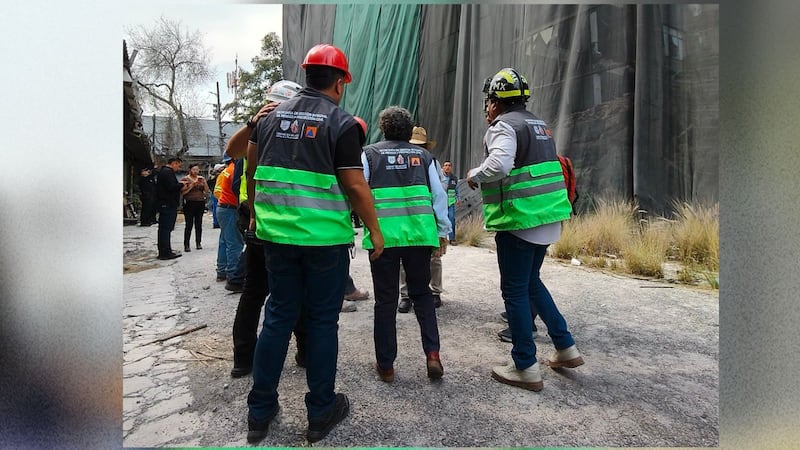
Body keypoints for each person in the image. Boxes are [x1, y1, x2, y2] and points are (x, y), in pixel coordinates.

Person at [244, 44, 384, 444]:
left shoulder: (268, 119)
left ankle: (260, 410)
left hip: (276, 237)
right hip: (323, 242)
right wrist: (375, 231)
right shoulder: (341, 124)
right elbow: (355, 184)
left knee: (277, 318)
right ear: (341, 82)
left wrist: (255, 214)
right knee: (322, 322)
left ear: (306, 76)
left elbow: (254, 171)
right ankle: (320, 412)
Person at [466, 67, 584, 392]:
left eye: (488, 101)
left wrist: (475, 173)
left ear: (495, 101)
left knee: (515, 291)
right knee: (532, 283)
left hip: (521, 221)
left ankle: (525, 365)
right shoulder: (539, 124)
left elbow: (500, 165)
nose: (487, 108)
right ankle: (565, 346)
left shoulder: (503, 126)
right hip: (547, 217)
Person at [361, 106, 451, 384]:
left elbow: (360, 191)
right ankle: (433, 355)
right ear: (409, 130)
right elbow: (439, 196)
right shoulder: (425, 157)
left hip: (382, 240)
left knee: (385, 301)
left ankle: (386, 365)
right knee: (422, 294)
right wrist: (443, 231)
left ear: (383, 128)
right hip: (419, 237)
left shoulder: (370, 155)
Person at [398, 126, 446, 312]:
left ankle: (435, 291)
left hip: (429, 216)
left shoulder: (432, 162)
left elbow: (440, 190)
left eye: (420, 145)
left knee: (435, 256)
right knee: (404, 256)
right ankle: (405, 294)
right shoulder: (400, 162)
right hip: (406, 215)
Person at [213, 154, 245, 291]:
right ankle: (233, 275)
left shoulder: (227, 170)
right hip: (230, 209)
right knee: (235, 243)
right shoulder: (234, 170)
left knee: (225, 241)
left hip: (223, 208)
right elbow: (237, 188)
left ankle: (222, 270)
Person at [155, 157, 189, 260]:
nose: (179, 168)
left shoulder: (164, 172)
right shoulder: (167, 172)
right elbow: (171, 187)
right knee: (166, 229)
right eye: (178, 165)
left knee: (164, 229)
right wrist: (181, 184)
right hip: (167, 204)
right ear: (174, 163)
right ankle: (165, 252)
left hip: (166, 203)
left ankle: (165, 250)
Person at [180, 164, 210, 252]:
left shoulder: (201, 179)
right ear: (190, 170)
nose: (196, 171)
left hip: (200, 202)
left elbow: (207, 191)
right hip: (189, 202)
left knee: (199, 224)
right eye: (194, 169)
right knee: (189, 224)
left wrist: (204, 183)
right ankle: (186, 244)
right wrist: (192, 185)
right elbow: (183, 193)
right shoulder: (185, 179)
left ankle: (198, 242)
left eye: (197, 169)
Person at [441, 160, 460, 244]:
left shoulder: (454, 178)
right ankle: (441, 239)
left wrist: (458, 198)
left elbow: (456, 189)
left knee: (451, 219)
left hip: (450, 202)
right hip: (441, 202)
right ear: (442, 167)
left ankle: (452, 238)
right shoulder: (439, 177)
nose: (447, 167)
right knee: (440, 220)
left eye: (449, 165)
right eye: (445, 165)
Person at [207, 164, 224, 229]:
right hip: (217, 193)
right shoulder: (218, 175)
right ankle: (217, 222)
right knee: (216, 207)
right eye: (221, 167)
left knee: (215, 207)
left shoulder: (212, 175)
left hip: (214, 192)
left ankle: (216, 222)